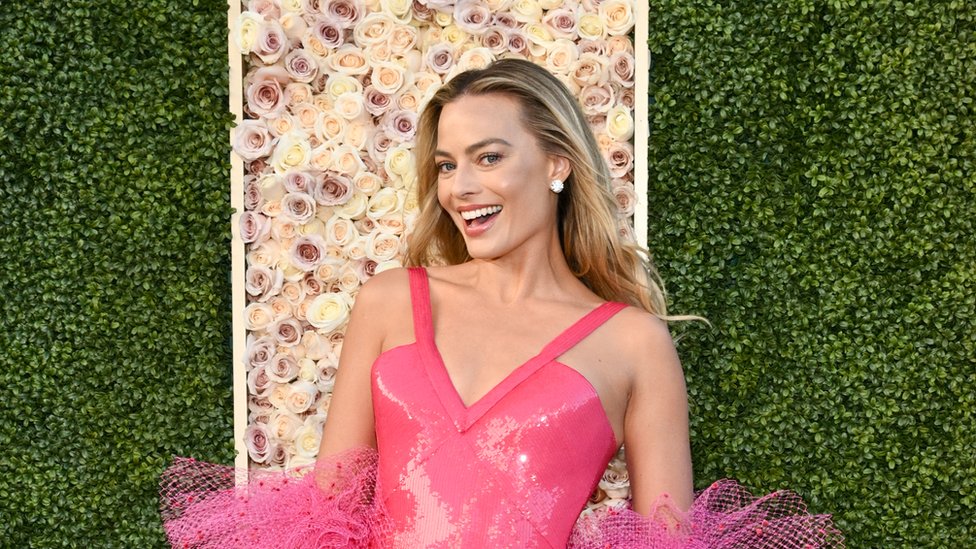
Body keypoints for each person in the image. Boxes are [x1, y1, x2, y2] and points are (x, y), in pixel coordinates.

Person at [160, 59, 844, 548]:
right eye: (447, 164)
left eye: (488, 157)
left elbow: (668, 538)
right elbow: (327, 514)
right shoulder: (391, 301)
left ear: (557, 164)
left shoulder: (634, 344)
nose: (460, 187)